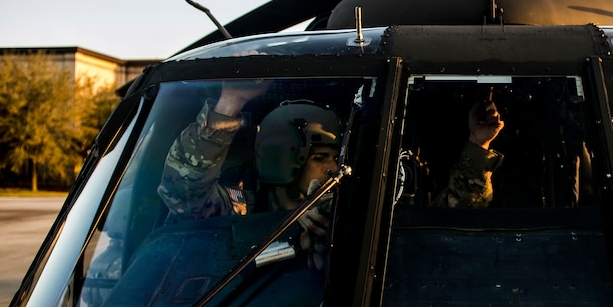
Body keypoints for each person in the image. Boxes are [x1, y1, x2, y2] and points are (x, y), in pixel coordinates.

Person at [158, 81, 505, 267]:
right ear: (285, 159)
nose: (333, 169)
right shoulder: (245, 210)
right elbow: (182, 193)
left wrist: (477, 146)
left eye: (336, 158)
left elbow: (455, 219)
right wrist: (230, 103)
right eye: (321, 157)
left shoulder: (359, 213)